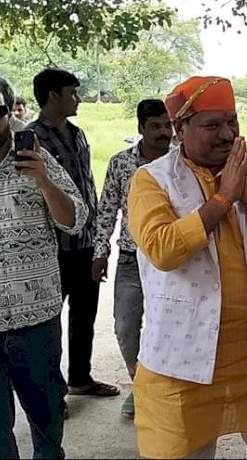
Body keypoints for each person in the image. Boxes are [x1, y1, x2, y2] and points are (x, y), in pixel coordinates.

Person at [126, 76, 247, 459]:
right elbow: (162, 248)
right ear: (180, 129)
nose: (228, 134)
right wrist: (223, 199)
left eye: (231, 122)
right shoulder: (151, 180)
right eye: (212, 125)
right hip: (182, 360)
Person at [0, 72, 87, 458]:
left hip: (38, 325)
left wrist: (44, 182)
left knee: (48, 429)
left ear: (8, 112)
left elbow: (74, 220)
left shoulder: (37, 158)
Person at [29, 69, 119, 407]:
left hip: (85, 244)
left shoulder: (78, 134)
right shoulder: (32, 139)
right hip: (52, 248)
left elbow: (88, 188)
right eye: (72, 93)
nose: (78, 99)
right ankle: (52, 394)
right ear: (53, 96)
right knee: (48, 326)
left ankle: (80, 378)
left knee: (84, 316)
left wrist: (99, 244)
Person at [92, 99, 172, 419]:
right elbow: (107, 209)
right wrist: (100, 251)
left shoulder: (182, 160)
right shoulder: (121, 163)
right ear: (140, 128)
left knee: (169, 325)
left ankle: (164, 388)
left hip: (172, 258)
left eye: (167, 125)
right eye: (155, 126)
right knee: (126, 327)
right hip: (131, 257)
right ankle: (140, 384)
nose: (163, 132)